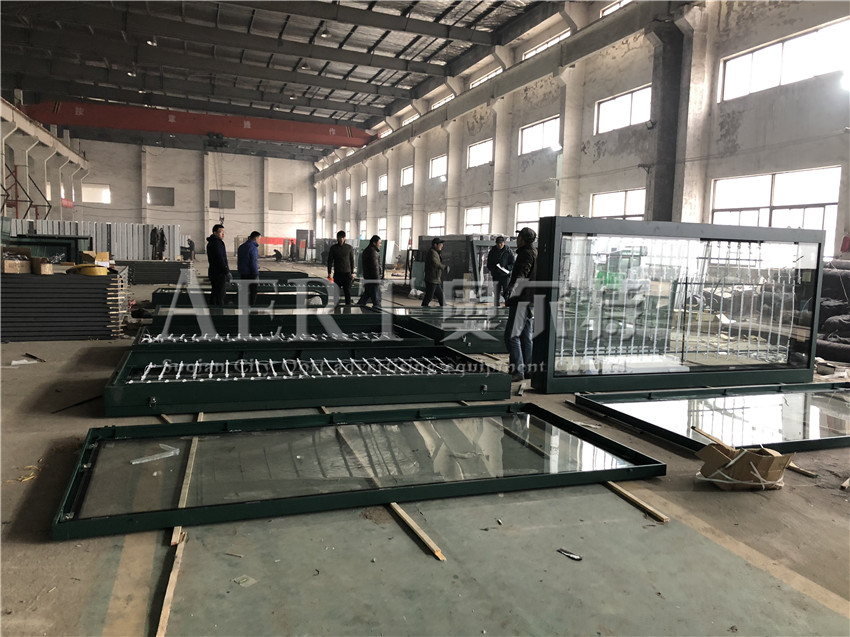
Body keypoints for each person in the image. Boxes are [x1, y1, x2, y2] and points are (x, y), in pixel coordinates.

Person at [504, 227, 537, 382]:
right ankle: (528, 369)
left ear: (522, 239)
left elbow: (521, 275)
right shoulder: (535, 252)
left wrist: (510, 290)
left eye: (518, 237)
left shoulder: (526, 254)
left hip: (522, 299)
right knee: (525, 336)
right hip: (531, 299)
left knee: (511, 336)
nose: (517, 239)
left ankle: (517, 371)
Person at [327, 230, 355, 306]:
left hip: (347, 274)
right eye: (339, 238)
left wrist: (352, 272)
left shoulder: (349, 248)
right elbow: (330, 261)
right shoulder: (333, 248)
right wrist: (329, 272)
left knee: (347, 292)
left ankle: (348, 308)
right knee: (336, 293)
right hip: (338, 274)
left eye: (342, 238)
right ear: (337, 238)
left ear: (345, 238)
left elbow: (352, 261)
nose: (341, 239)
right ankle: (336, 308)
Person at [487, 235, 515, 308]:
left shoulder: (508, 251)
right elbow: (489, 264)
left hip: (506, 276)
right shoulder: (492, 252)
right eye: (498, 243)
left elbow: (513, 263)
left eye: (501, 243)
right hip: (496, 275)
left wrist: (506, 268)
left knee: (507, 292)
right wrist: (494, 269)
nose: (499, 245)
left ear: (504, 243)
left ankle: (507, 306)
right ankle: (496, 306)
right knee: (496, 292)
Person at [207, 224, 231, 306]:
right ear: (215, 233)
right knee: (220, 294)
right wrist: (226, 271)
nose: (223, 234)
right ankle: (219, 311)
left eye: (224, 232)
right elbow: (220, 258)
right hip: (219, 273)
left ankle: (213, 310)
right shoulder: (217, 243)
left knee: (215, 293)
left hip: (214, 272)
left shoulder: (212, 242)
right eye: (221, 232)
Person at [357, 235, 383, 308]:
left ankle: (356, 308)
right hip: (373, 280)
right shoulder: (373, 252)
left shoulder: (367, 250)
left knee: (365, 296)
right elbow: (375, 268)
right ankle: (378, 313)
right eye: (379, 243)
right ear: (374, 243)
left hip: (368, 278)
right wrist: (378, 280)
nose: (380, 245)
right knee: (377, 301)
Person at [237, 231, 262, 305]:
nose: (259, 241)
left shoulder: (241, 247)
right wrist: (256, 273)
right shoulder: (253, 248)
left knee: (244, 291)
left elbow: (242, 260)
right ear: (256, 238)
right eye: (259, 239)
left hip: (243, 273)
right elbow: (253, 262)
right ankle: (251, 307)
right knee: (252, 293)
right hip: (251, 274)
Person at [421, 237, 446, 307]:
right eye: (440, 245)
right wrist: (444, 267)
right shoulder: (432, 252)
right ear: (435, 245)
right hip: (432, 279)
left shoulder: (436, 252)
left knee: (441, 297)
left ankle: (444, 310)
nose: (442, 246)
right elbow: (436, 263)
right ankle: (423, 310)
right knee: (429, 297)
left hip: (435, 280)